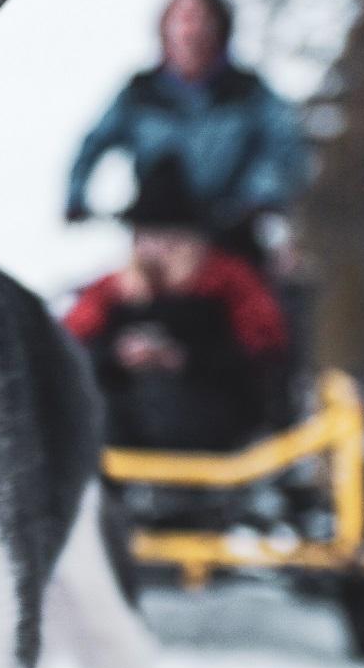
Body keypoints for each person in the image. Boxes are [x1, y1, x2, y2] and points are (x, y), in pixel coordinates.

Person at [64, 0, 309, 271]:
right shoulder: (140, 92)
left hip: (229, 236)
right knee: (97, 311)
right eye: (182, 19)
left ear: (221, 28)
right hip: (155, 239)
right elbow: (93, 142)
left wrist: (260, 196)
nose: (191, 30)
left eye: (202, 19)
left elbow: (284, 147)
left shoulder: (248, 92)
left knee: (261, 307)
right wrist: (76, 196)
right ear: (165, 29)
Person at [65, 156, 289, 451]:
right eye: (147, 239)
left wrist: (184, 358)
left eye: (171, 241)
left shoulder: (229, 283)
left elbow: (265, 352)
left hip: (217, 426)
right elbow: (70, 345)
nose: (157, 252)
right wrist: (116, 356)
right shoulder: (113, 290)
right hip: (123, 434)